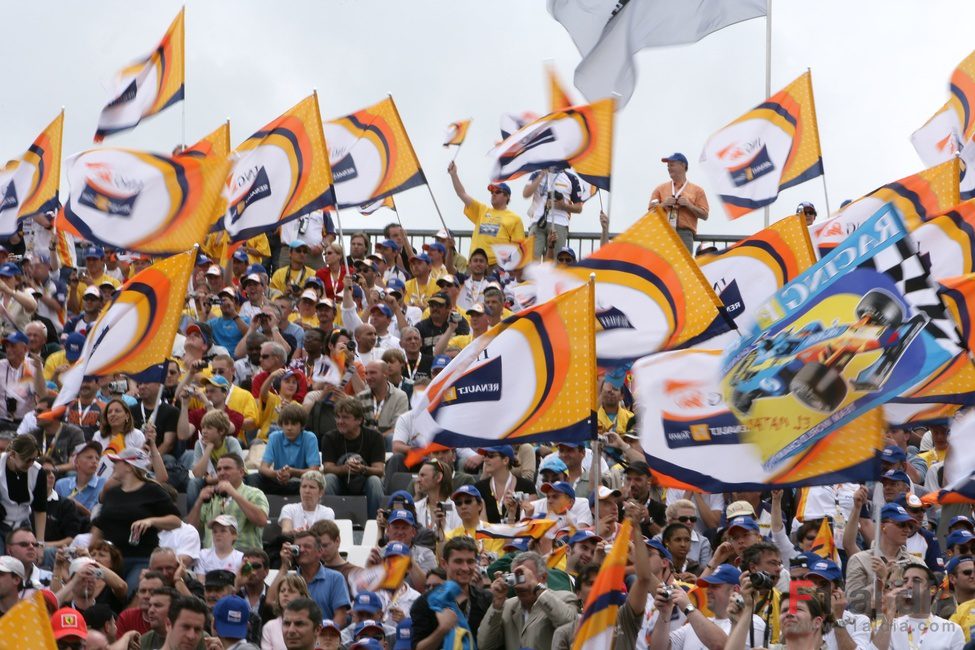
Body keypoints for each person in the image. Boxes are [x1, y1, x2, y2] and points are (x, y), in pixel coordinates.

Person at [91, 448, 181, 592]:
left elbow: (176, 520)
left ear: (129, 466)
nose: (113, 466)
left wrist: (151, 521)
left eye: (117, 462)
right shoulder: (112, 493)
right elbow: (100, 526)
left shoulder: (152, 490)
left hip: (140, 559)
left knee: (132, 592)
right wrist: (90, 552)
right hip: (110, 561)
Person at [477, 550, 577, 649]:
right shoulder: (508, 606)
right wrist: (496, 605)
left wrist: (536, 587)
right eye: (518, 577)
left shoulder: (565, 598)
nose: (522, 583)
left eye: (527, 576)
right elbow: (484, 645)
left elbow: (569, 626)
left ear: (543, 577)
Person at [409, 536, 492, 649]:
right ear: (444, 564)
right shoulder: (425, 603)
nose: (465, 568)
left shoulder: (487, 599)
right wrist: (442, 630)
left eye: (470, 561)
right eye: (458, 561)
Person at [872, 561, 965, 650]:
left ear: (932, 590)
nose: (908, 585)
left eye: (916, 580)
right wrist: (889, 613)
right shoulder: (888, 626)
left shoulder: (952, 630)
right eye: (905, 581)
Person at [447, 161, 525, 267]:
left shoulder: (515, 218)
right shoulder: (482, 210)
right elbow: (462, 194)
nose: (493, 194)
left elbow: (518, 249)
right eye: (492, 192)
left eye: (497, 192)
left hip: (497, 266)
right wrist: (454, 174)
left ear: (507, 197)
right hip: (475, 264)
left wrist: (508, 268)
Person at [189, 454, 269, 551]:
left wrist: (233, 493)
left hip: (244, 559)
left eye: (227, 468)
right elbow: (190, 530)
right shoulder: (210, 495)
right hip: (211, 560)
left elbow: (261, 521)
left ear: (241, 472)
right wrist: (199, 502)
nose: (222, 472)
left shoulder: (254, 493)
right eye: (218, 469)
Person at [321, 397, 385, 518]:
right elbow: (328, 468)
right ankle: (330, 524)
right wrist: (345, 469)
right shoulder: (329, 437)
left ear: (359, 420)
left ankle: (376, 524)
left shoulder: (375, 437)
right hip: (340, 483)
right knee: (328, 479)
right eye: (338, 417)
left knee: (375, 481)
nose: (340, 421)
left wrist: (362, 469)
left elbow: (379, 470)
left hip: (365, 483)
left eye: (345, 417)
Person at [846, 503, 915, 615]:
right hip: (868, 628)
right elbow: (853, 606)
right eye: (902, 525)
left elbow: (924, 600)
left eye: (910, 526)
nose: (907, 530)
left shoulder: (916, 563)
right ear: (883, 526)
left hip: (906, 628)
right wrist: (879, 582)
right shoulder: (859, 559)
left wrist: (888, 580)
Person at [272, 530, 350, 627]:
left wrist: (322, 636)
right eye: (298, 547)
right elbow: (270, 600)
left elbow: (341, 617)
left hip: (325, 636)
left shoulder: (335, 578)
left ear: (320, 551)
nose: (301, 550)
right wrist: (284, 564)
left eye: (307, 546)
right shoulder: (290, 579)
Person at [255, 403, 321, 495]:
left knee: (303, 482)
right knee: (254, 478)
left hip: (301, 481)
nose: (289, 428)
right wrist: (278, 473)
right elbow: (263, 468)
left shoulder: (310, 437)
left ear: (301, 425)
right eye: (286, 424)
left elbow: (314, 471)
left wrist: (291, 471)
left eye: (293, 424)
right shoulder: (274, 437)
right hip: (279, 480)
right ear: (281, 425)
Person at [649, 153, 709, 252]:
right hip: (663, 233)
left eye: (672, 165)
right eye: (668, 166)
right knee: (663, 266)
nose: (668, 168)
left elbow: (705, 215)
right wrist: (663, 204)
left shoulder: (697, 190)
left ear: (683, 165)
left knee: (682, 266)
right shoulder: (660, 189)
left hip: (685, 234)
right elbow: (650, 214)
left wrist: (689, 205)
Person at [523, 166, 584, 259]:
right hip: (537, 222)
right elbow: (526, 193)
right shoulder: (537, 174)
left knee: (555, 262)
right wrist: (542, 174)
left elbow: (579, 208)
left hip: (559, 222)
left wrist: (563, 206)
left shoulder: (571, 178)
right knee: (532, 260)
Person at [0, 434, 47, 553]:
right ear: (12, 455)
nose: (31, 463)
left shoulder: (38, 471)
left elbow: (40, 509)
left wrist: (40, 544)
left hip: (24, 524)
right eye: (27, 460)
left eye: (34, 459)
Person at [473, 446, 535, 523]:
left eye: (491, 456)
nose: (485, 459)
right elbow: (480, 526)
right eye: (485, 456)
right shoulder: (479, 488)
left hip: (519, 534)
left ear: (505, 460)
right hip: (488, 534)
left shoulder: (527, 486)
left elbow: (530, 521)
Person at [0, 331, 46, 431]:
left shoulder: (34, 366)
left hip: (24, 421)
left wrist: (38, 369)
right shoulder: (1, 366)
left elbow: (42, 395)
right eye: (7, 346)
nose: (8, 350)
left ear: (25, 349)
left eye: (13, 346)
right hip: (2, 420)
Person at [356, 360, 408, 449]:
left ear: (385, 374)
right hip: (365, 441)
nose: (368, 377)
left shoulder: (400, 396)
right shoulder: (361, 397)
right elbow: (358, 426)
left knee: (391, 438)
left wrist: (377, 439)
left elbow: (398, 428)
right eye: (366, 373)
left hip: (386, 440)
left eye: (372, 373)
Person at [261, 573, 311, 650]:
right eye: (282, 591)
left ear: (302, 596)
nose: (285, 594)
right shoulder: (269, 627)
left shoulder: (312, 625)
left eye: (291, 591)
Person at [115, 571, 166, 636]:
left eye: (152, 592)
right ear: (137, 594)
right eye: (143, 591)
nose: (146, 596)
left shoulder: (173, 618)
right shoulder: (127, 617)